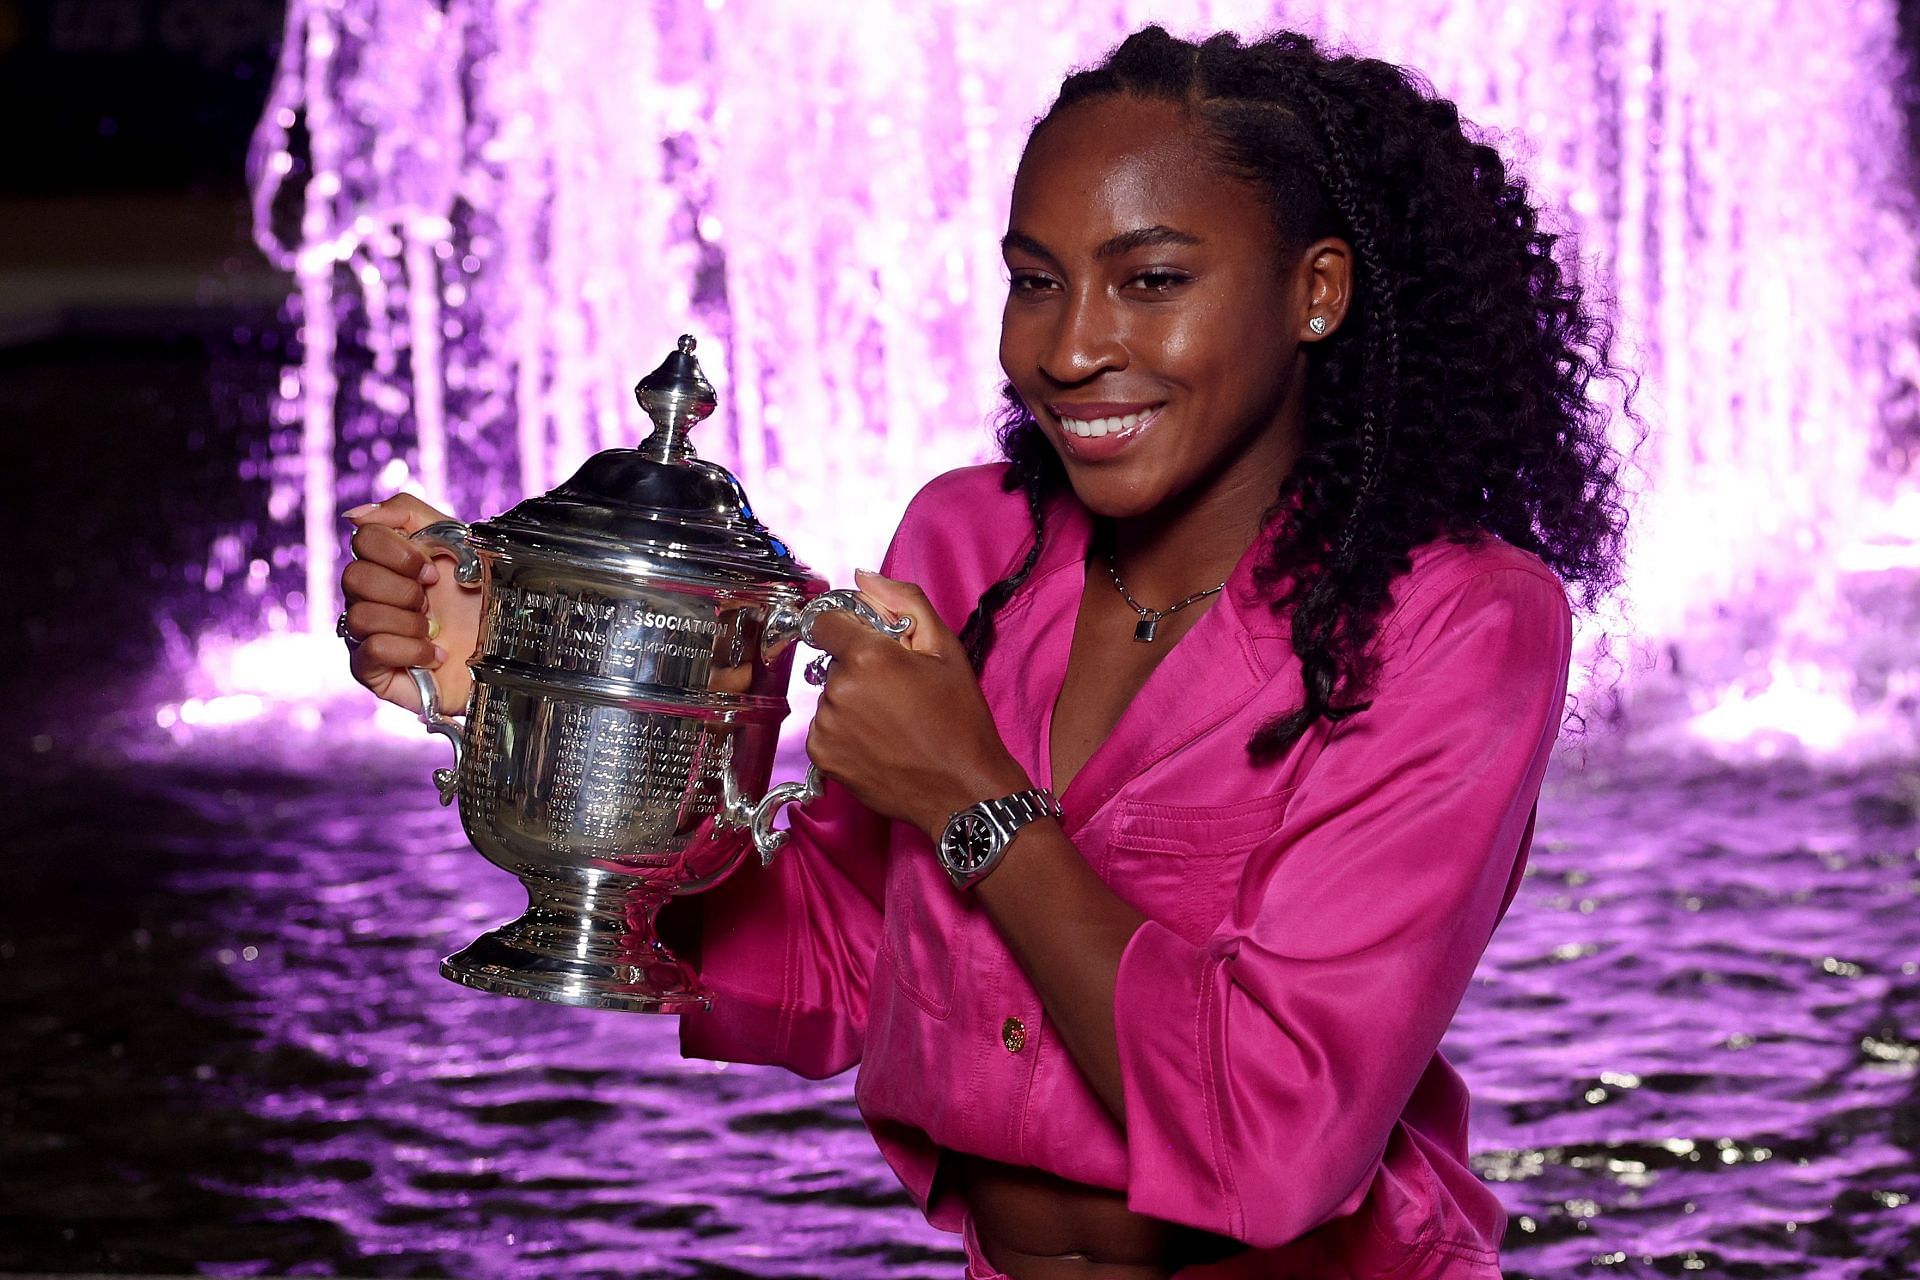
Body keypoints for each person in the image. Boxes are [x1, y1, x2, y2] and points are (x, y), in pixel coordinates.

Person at [339, 25, 1629, 1280]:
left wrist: (973, 797)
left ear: (1317, 292)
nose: (1067, 351)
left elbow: (1283, 1132)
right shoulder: (970, 545)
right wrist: (562, 701)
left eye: (1153, 281)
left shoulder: (1457, 620)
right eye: (1036, 278)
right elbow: (835, 962)